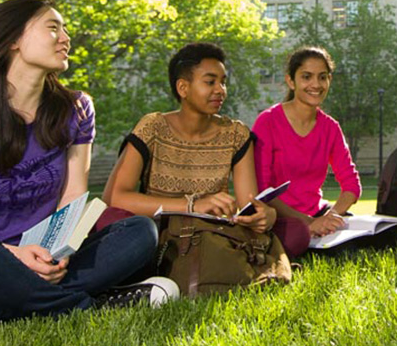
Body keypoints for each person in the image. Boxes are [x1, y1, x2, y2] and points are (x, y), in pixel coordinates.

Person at [0, 0, 175, 322]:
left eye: (65, 29)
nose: (66, 38)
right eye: (53, 28)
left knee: (140, 232)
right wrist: (16, 256)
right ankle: (89, 306)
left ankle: (12, 303)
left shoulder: (77, 109)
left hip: (48, 255)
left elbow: (72, 197)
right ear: (11, 39)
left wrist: (56, 255)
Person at [103, 42, 275, 281]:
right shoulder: (152, 127)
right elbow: (115, 198)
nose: (221, 90)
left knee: (292, 232)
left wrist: (264, 215)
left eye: (223, 81)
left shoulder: (236, 134)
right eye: (210, 81)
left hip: (211, 233)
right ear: (183, 87)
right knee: (111, 222)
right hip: (157, 233)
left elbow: (248, 204)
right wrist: (194, 205)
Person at [252, 47, 362, 257]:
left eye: (322, 77)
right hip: (280, 218)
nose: (316, 85)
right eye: (306, 77)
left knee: (355, 233)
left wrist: (331, 217)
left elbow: (351, 185)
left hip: (318, 213)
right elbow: (263, 191)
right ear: (291, 81)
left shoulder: (330, 127)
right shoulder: (267, 122)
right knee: (298, 235)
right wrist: (309, 223)